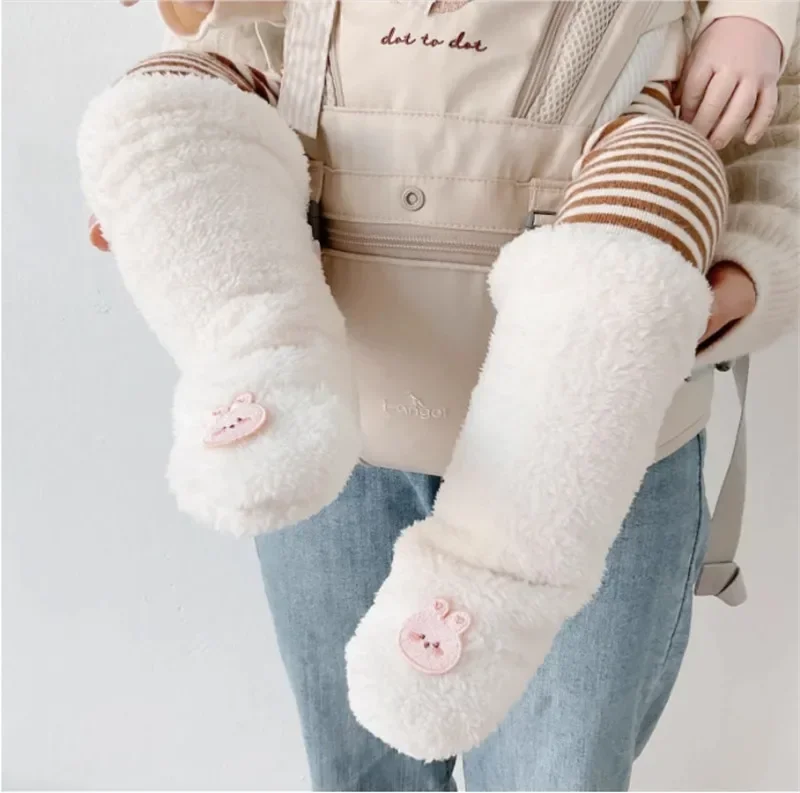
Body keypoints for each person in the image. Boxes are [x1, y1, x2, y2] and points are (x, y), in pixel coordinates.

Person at [86, 1, 799, 789]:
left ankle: (503, 570)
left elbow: (778, 99)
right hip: (331, 417)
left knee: (550, 777)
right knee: (162, 108)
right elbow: (239, 37)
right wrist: (185, 206)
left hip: (592, 451)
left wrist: (742, 273)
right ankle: (254, 338)